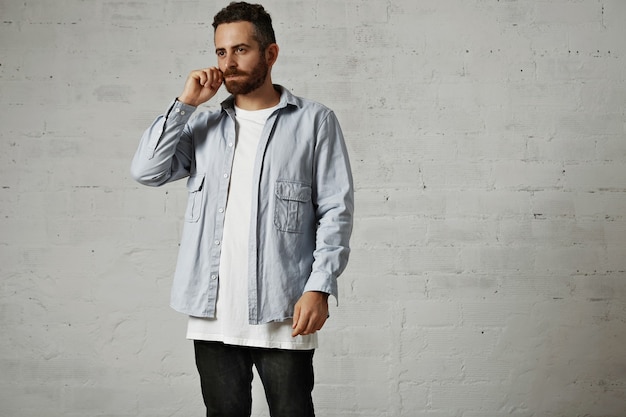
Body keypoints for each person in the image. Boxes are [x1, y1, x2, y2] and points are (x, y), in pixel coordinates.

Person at [130, 2, 354, 416]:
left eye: (240, 50)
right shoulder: (202, 126)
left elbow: (335, 212)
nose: (228, 62)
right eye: (220, 52)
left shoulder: (314, 121)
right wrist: (185, 103)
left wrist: (319, 286)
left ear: (270, 54)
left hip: (284, 310)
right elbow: (146, 170)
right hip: (213, 313)